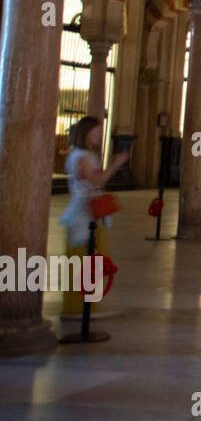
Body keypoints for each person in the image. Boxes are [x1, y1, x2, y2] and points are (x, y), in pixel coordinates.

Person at [59, 117, 130, 318]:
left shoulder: (83, 155)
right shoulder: (81, 156)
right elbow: (96, 180)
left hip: (90, 213)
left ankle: (87, 306)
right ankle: (78, 307)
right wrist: (115, 164)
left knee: (93, 259)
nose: (100, 135)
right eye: (97, 132)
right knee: (84, 259)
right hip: (82, 214)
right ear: (85, 133)